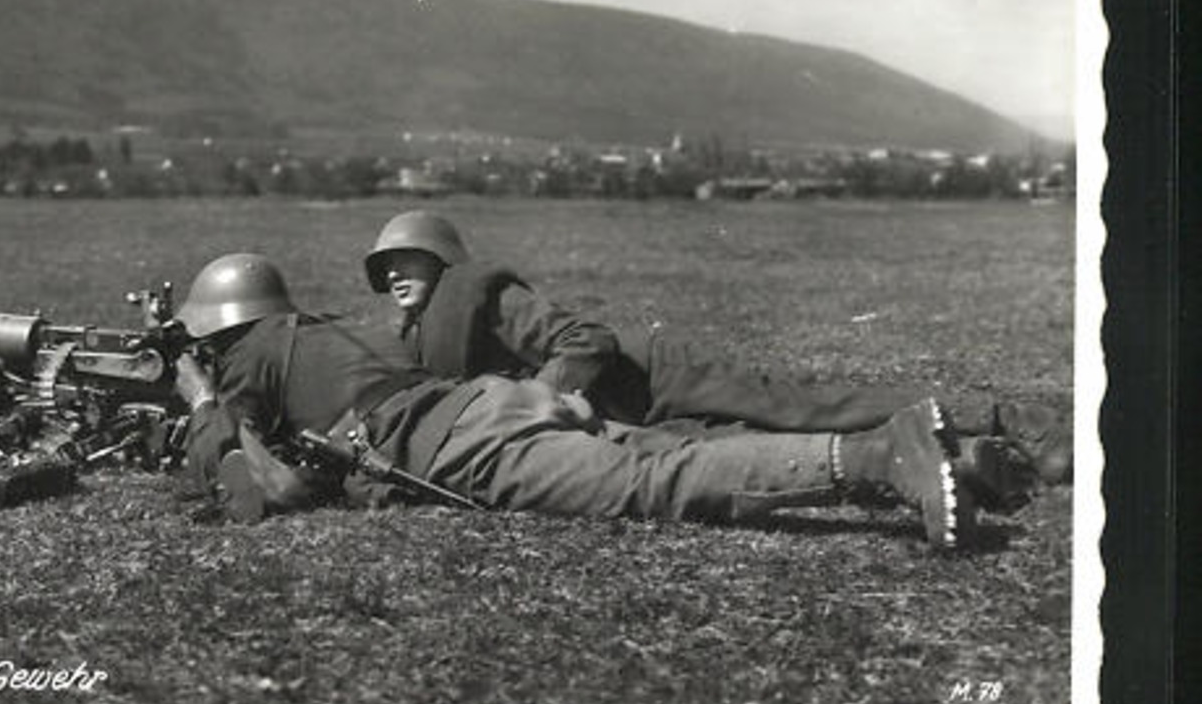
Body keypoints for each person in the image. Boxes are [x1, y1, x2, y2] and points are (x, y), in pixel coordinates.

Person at [168, 252, 981, 550]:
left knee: (646, 490)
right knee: (669, 456)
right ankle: (963, 462)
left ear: (220, 333)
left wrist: (200, 401)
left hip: (453, 445)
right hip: (499, 403)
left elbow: (244, 482)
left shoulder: (250, 357)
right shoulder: (330, 333)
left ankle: (880, 456)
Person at [361, 210, 1072, 508]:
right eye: (385, 267)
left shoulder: (479, 294)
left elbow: (585, 342)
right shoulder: (419, 332)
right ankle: (971, 455)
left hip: (649, 376)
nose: (394, 274)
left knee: (804, 406)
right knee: (768, 448)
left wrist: (551, 399)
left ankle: (1019, 419)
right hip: (621, 417)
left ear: (443, 258)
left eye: (407, 260)